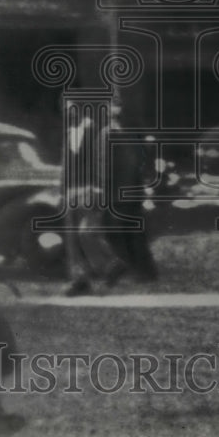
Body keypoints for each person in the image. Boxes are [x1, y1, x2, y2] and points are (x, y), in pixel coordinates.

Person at [61, 101, 130, 297]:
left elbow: (102, 162)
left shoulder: (96, 133)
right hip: (71, 189)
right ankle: (80, 279)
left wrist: (98, 188)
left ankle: (109, 265)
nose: (69, 114)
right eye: (66, 110)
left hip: (88, 189)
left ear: (83, 110)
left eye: (73, 109)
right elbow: (67, 164)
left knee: (86, 233)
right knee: (73, 238)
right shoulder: (69, 133)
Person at [102, 99, 158, 282]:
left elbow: (124, 166)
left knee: (122, 233)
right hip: (128, 191)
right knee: (131, 233)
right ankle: (142, 270)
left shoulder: (115, 136)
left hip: (122, 193)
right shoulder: (127, 135)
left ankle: (138, 269)